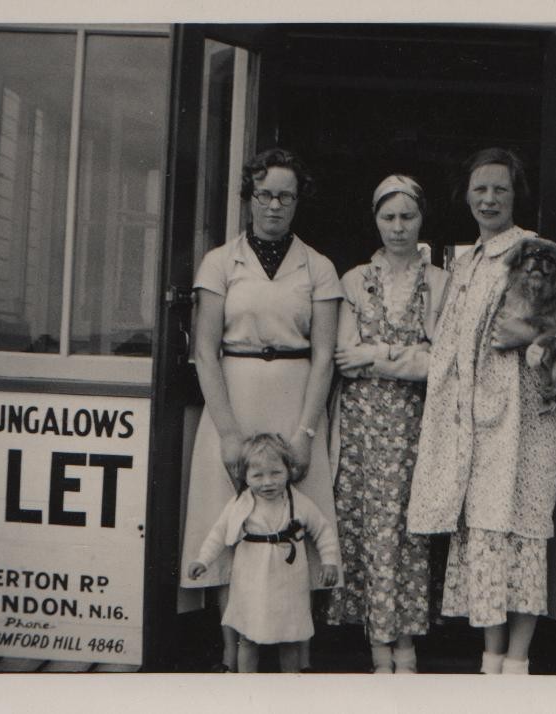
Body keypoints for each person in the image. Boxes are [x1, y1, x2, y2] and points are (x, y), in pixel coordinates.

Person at [406, 148, 556, 675]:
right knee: (484, 537)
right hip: (475, 423)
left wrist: (531, 334)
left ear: (516, 195)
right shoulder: (468, 260)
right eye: (479, 189)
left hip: (525, 424)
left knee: (519, 535)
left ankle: (516, 664)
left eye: (499, 188)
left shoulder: (536, 250)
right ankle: (489, 661)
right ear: (466, 197)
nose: (489, 198)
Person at [179, 148, 342, 673]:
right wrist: (228, 433)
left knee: (297, 522)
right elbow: (205, 351)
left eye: (286, 196)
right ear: (249, 198)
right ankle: (232, 654)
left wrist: (305, 432)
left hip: (295, 397)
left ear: (298, 202)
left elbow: (323, 358)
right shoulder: (220, 262)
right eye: (265, 194)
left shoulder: (317, 267)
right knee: (229, 526)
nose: (275, 206)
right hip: (234, 399)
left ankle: (296, 656)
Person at [326, 175, 449, 674]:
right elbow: (342, 358)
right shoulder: (354, 280)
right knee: (368, 531)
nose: (398, 227)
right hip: (360, 430)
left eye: (408, 217)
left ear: (421, 218)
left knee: (406, 532)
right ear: (375, 219)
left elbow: (441, 362)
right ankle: (380, 651)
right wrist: (406, 355)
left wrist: (378, 354)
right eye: (388, 217)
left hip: (416, 425)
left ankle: (407, 649)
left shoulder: (441, 282)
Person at [188, 434, 341, 673]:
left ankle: (289, 685)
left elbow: (323, 531)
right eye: (257, 476)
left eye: (275, 473)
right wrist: (203, 560)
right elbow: (218, 534)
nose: (267, 482)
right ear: (245, 476)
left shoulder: (297, 502)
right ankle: (248, 688)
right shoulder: (241, 504)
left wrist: (329, 561)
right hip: (252, 580)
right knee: (248, 636)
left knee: (290, 638)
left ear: (288, 471)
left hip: (288, 581)